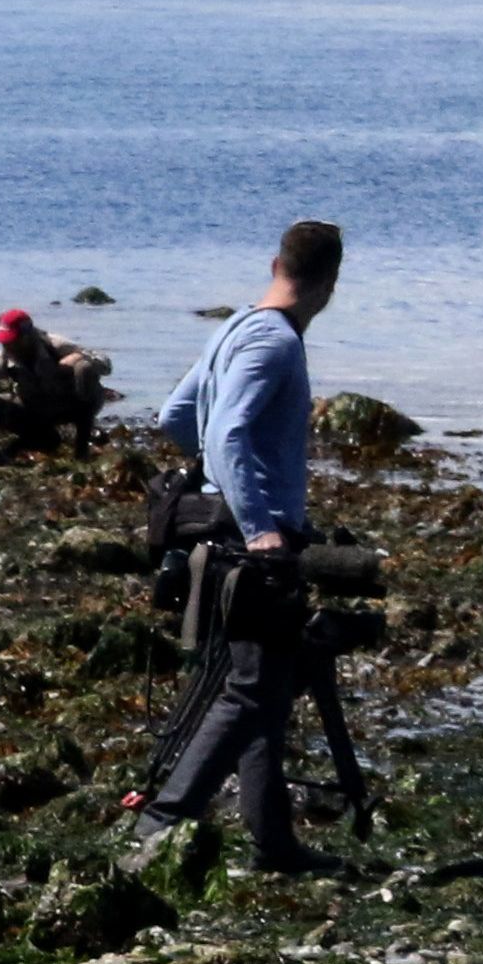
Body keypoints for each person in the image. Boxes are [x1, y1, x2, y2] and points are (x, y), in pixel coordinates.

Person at [139, 223, 344, 874]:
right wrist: (259, 528)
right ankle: (158, 827)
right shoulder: (277, 341)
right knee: (249, 691)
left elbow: (178, 415)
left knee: (270, 688)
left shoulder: (233, 328)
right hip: (254, 545)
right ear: (331, 283)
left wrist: (212, 488)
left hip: (222, 533)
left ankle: (274, 844)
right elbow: (227, 433)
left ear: (276, 262)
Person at [0, 307, 113, 450]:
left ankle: (81, 447)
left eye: (12, 341)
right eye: (4, 342)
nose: (7, 346)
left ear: (26, 336)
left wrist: (80, 357)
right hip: (37, 405)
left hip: (70, 403)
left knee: (83, 368)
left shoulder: (55, 344)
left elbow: (105, 362)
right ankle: (45, 439)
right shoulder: (6, 355)